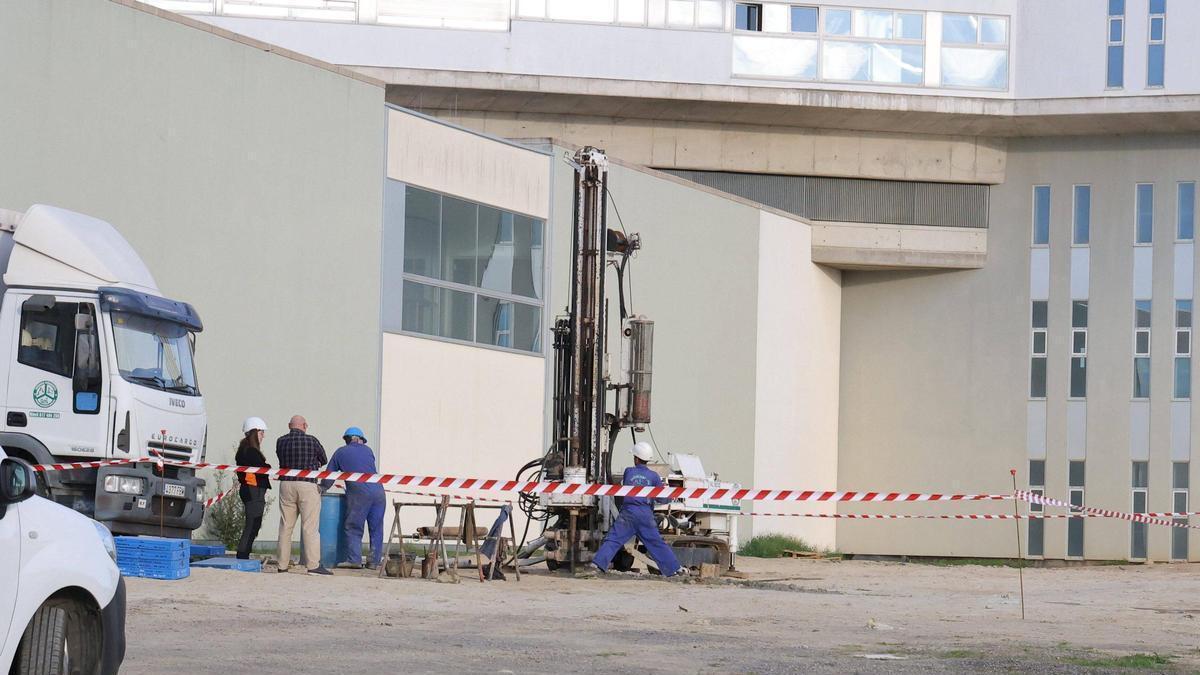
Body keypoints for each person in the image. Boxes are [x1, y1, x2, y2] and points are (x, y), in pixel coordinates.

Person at [592, 442, 684, 577]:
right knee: (656, 543)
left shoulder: (628, 472)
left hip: (628, 514)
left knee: (613, 539)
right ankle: (674, 569)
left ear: (636, 458)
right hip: (645, 515)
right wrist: (671, 496)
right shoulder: (654, 476)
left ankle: (597, 565)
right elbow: (662, 499)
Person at [321, 427, 386, 570]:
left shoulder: (340, 452)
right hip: (379, 491)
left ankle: (354, 560)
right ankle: (374, 562)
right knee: (376, 528)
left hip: (360, 492)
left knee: (354, 526)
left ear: (347, 439)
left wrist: (322, 487)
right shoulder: (368, 451)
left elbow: (330, 474)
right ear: (359, 439)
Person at [275, 415, 332, 575]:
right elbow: (324, 459)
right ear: (305, 426)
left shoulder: (280, 441)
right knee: (310, 527)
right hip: (307, 484)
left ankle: (282, 565)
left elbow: (280, 458)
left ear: (289, 426)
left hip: (286, 484)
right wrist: (314, 464)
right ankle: (313, 565)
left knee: (286, 526)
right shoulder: (312, 440)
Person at [234, 417, 272, 560]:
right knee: (253, 524)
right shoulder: (250, 451)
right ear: (255, 433)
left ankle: (244, 553)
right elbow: (263, 468)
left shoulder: (245, 450)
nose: (263, 436)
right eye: (261, 433)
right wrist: (267, 466)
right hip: (253, 489)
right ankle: (242, 554)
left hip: (251, 490)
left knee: (253, 523)